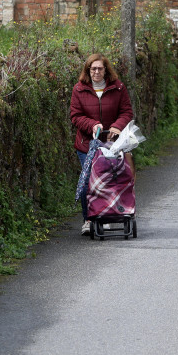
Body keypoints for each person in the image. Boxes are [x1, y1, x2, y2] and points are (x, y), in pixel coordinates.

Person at [69, 53, 133, 235]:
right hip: (87, 145)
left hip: (112, 145)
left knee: (111, 179)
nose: (96, 71)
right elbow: (75, 116)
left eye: (100, 68)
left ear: (106, 70)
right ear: (88, 70)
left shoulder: (118, 88)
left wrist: (116, 126)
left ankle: (109, 214)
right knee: (88, 181)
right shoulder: (79, 89)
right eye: (93, 68)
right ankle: (89, 219)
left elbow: (126, 112)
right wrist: (92, 125)